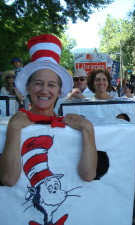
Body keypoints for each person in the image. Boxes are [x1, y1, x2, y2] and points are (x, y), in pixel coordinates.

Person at [0, 34, 97, 186]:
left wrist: (88, 130)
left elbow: (88, 175)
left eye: (51, 85)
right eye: (39, 83)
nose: (44, 90)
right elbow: (9, 180)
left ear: (59, 91)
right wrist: (13, 129)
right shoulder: (16, 124)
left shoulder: (73, 125)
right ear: (28, 88)